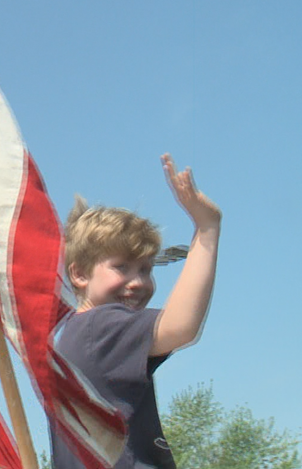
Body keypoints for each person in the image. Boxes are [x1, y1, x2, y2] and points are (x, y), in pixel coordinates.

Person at [50, 154, 222, 468]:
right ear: (79, 274)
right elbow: (181, 326)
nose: (138, 282)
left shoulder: (79, 334)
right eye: (121, 268)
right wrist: (207, 230)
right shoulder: (100, 327)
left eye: (145, 269)